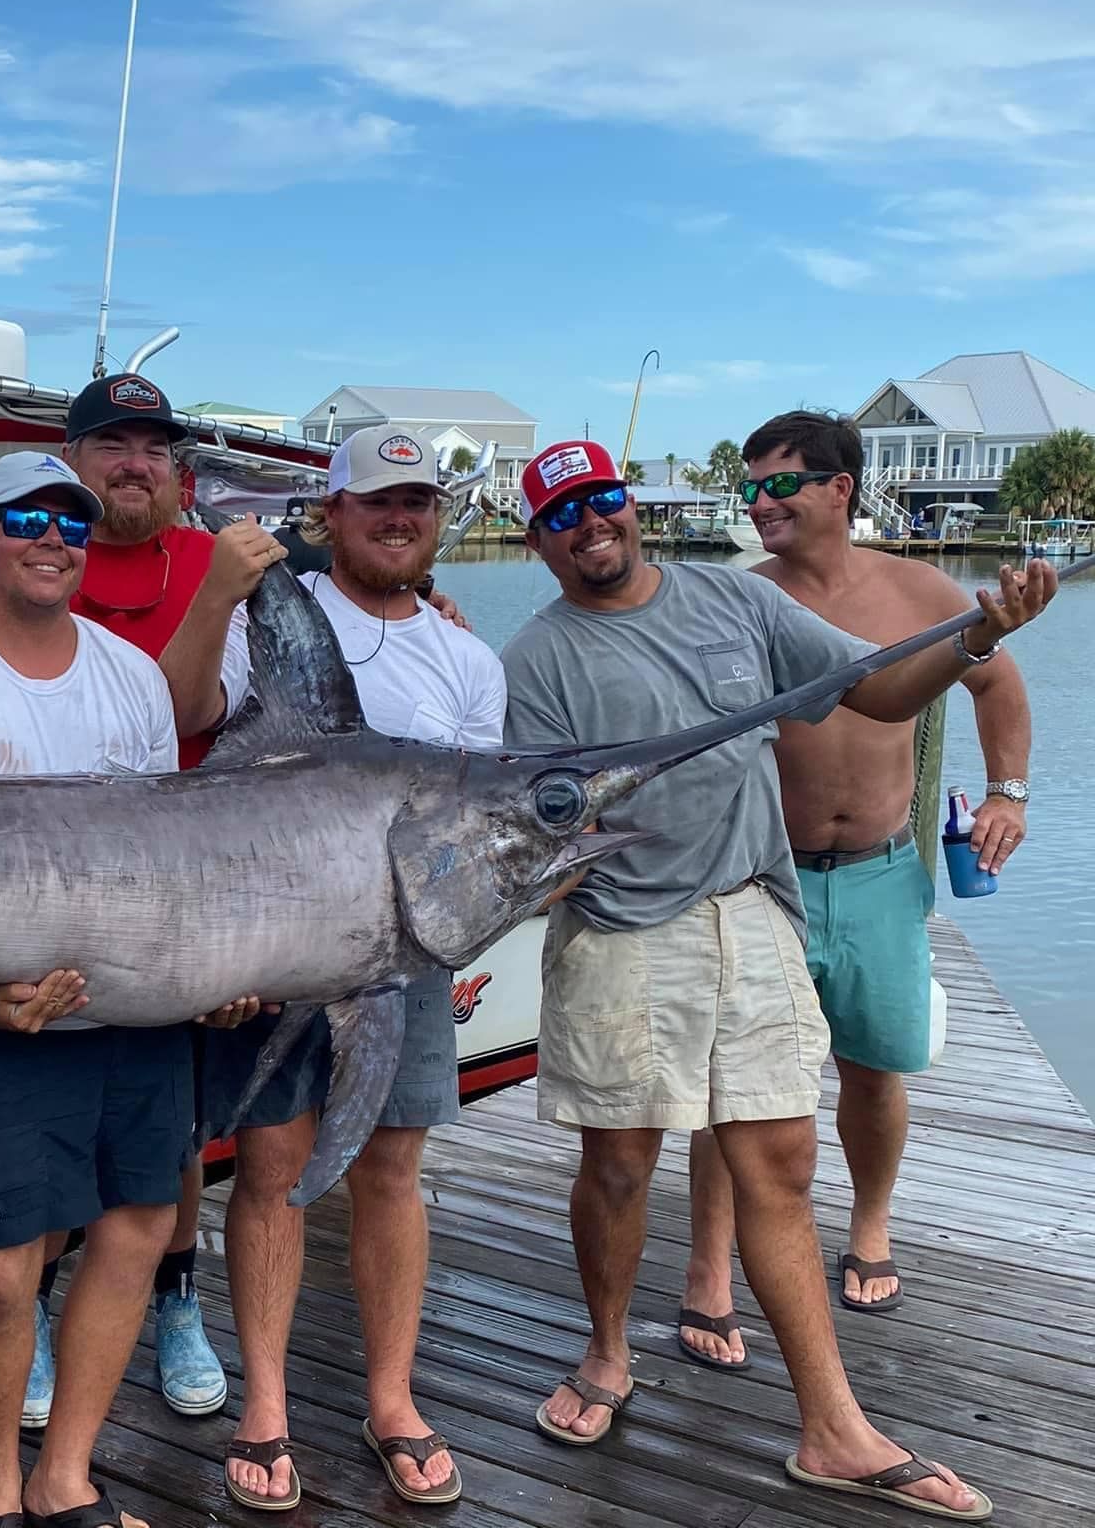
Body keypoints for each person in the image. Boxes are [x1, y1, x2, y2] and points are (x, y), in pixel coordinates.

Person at [501, 437, 1054, 1521]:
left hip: (752, 912)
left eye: (604, 498)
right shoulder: (532, 660)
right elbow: (534, 827)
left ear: (631, 508)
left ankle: (832, 1427)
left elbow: (879, 691)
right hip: (618, 932)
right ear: (536, 540)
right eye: (562, 513)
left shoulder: (731, 605)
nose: (590, 523)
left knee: (783, 1161)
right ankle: (606, 1354)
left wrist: (979, 636)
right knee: (617, 1168)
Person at [0, 449, 258, 1528]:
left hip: (133, 1010)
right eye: (23, 518)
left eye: (69, 523)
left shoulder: (127, 674)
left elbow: (166, 858)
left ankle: (64, 1475)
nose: (51, 537)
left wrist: (221, 969)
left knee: (132, 1233)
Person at [161, 424, 503, 1509]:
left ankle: (390, 1399)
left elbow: (492, 839)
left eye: (416, 503)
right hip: (272, 944)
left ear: (437, 519)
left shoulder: (466, 656)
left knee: (392, 1176)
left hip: (401, 955)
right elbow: (190, 726)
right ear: (332, 515)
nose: (397, 519)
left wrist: (457, 949)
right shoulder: (274, 616)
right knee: (267, 1173)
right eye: (375, 502)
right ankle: (264, 1404)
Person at [677, 413, 1033, 1367]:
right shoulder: (737, 600)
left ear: (840, 488)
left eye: (780, 484)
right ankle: (709, 1270)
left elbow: (996, 687)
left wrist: (1008, 793)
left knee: (875, 1071)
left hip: (880, 872)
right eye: (749, 488)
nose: (760, 504)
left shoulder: (919, 590)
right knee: (734, 1085)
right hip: (763, 877)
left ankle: (870, 1225)